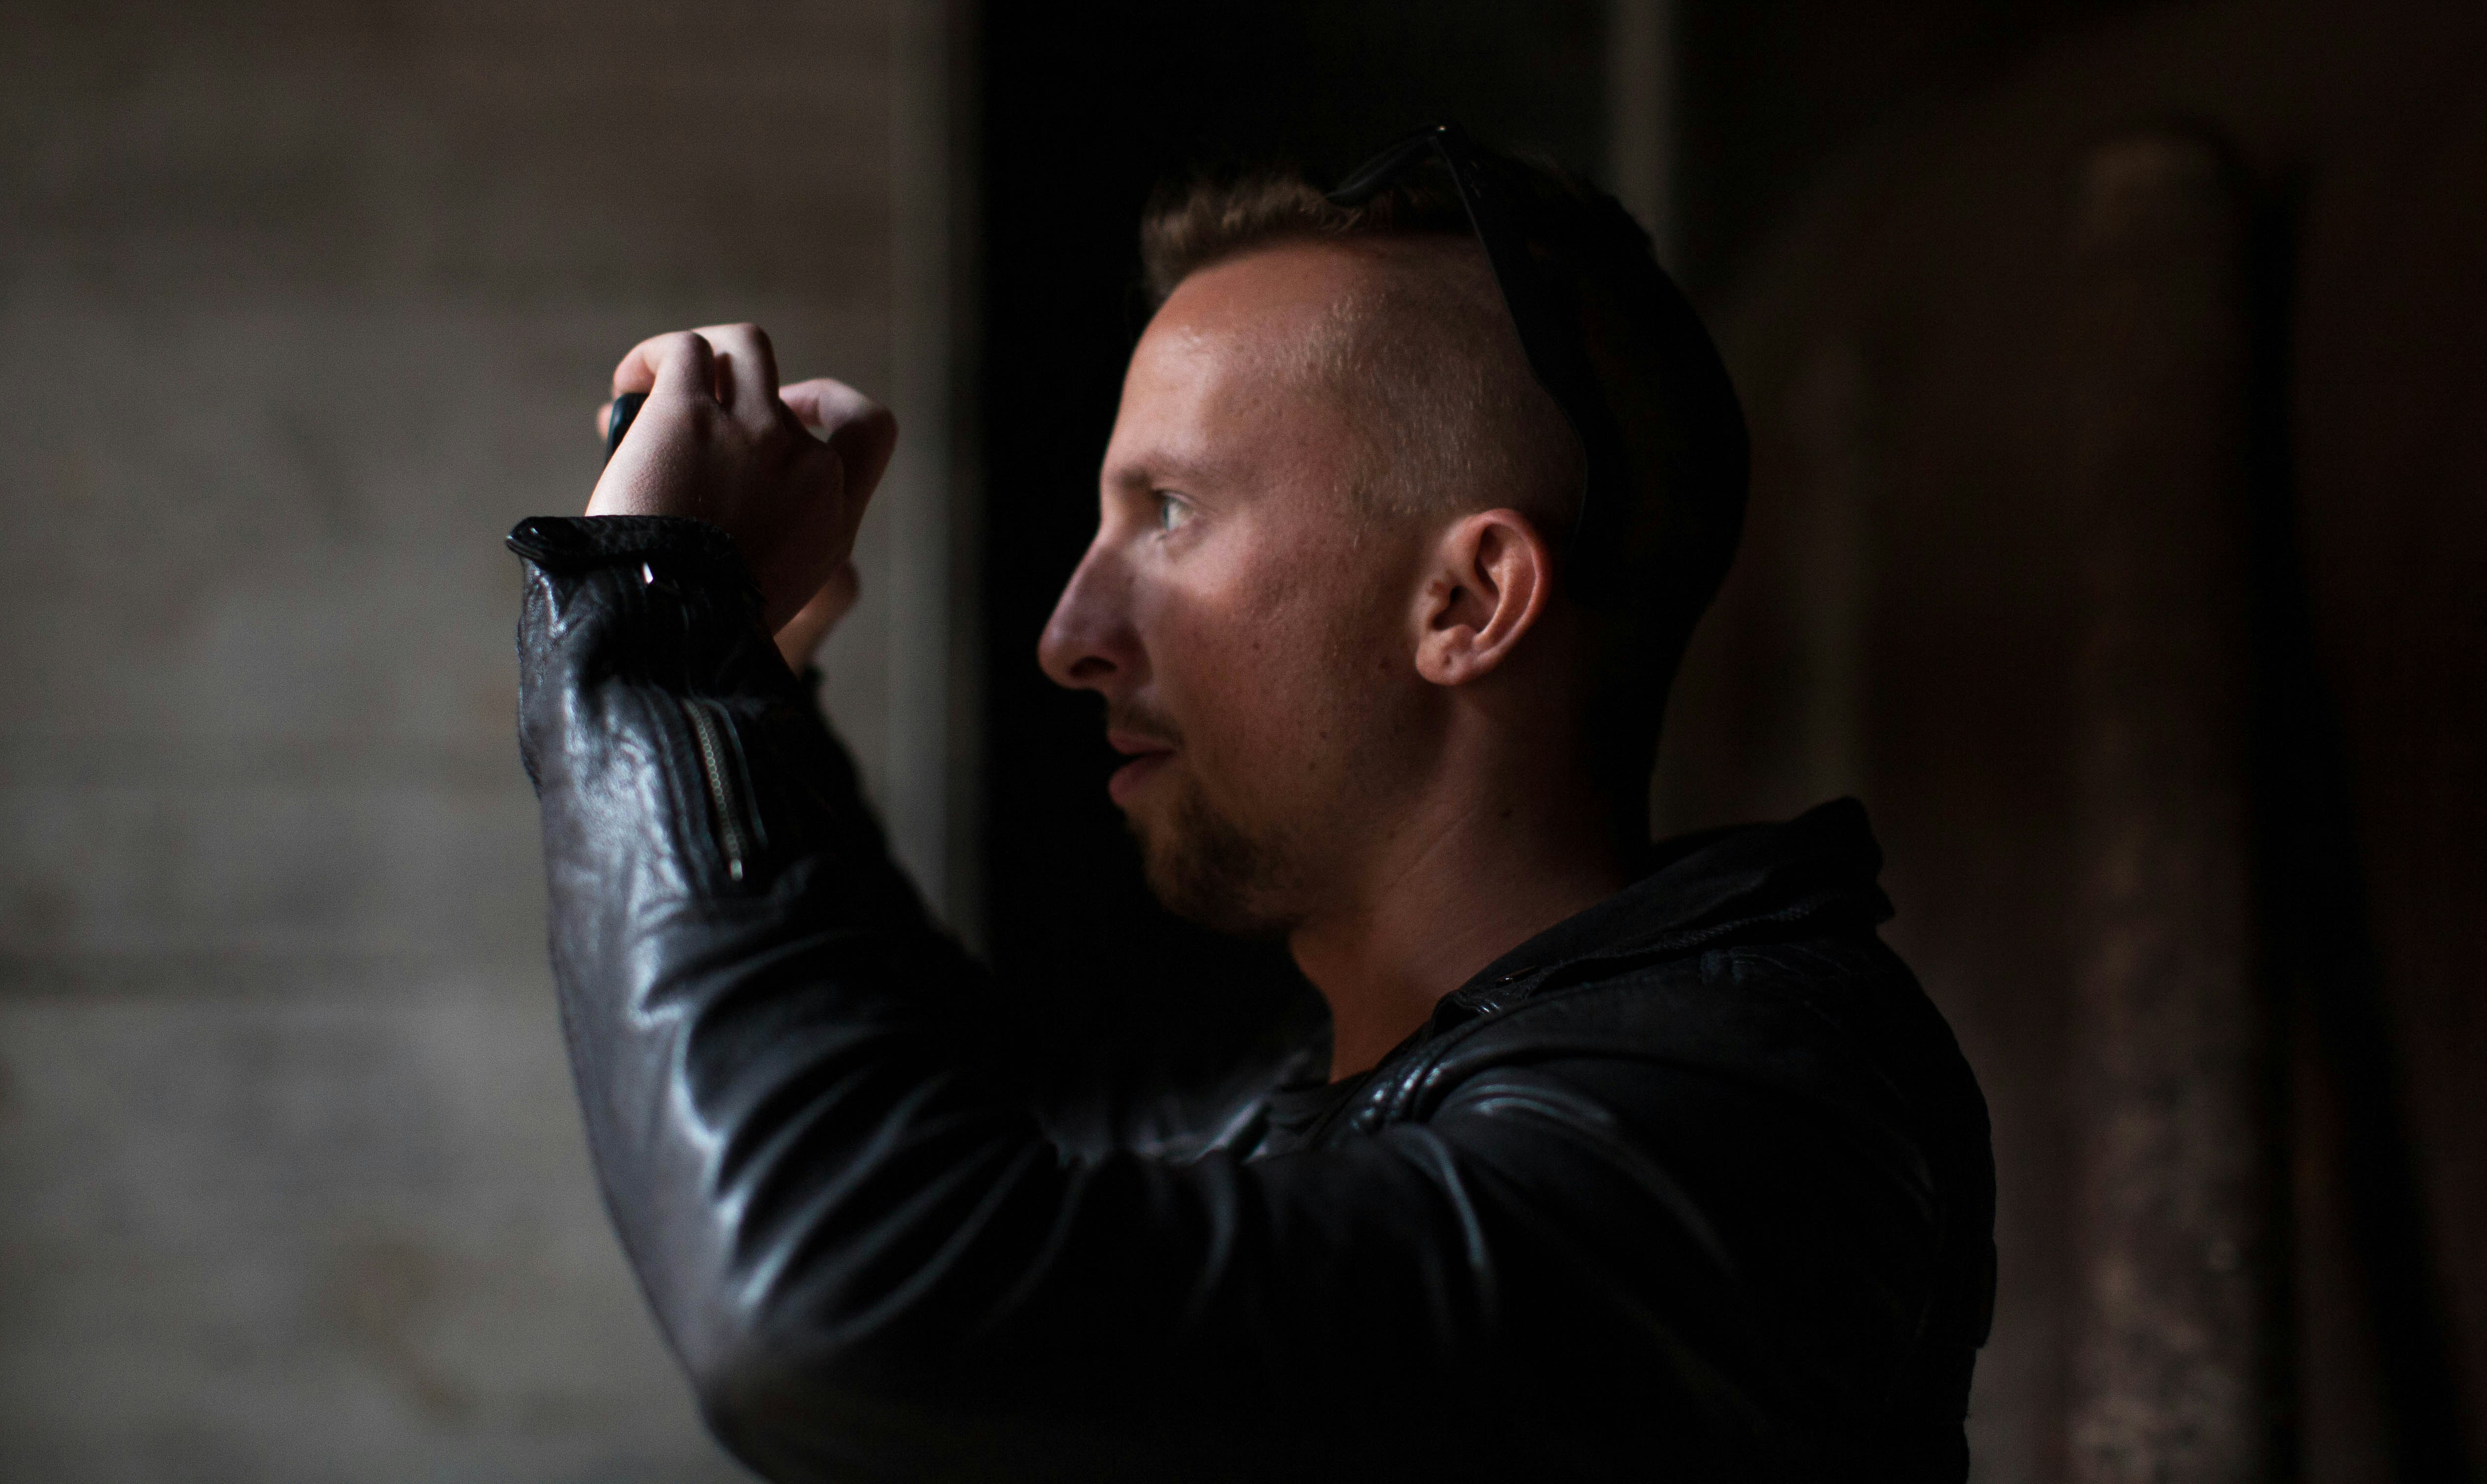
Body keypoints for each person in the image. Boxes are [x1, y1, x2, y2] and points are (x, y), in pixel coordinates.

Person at [509, 133, 1995, 1482]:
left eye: (1170, 514)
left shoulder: (1732, 1141)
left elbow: (837, 1306)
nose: (1069, 632)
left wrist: (651, 618)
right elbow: (923, 1122)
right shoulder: (1328, 1084)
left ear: (1468, 600)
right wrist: (746, 661)